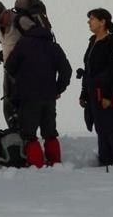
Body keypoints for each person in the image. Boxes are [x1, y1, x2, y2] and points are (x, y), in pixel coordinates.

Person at [5, 20, 71, 167]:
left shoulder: (23, 44)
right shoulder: (54, 47)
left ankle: (37, 165)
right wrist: (58, 89)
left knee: (28, 134)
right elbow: (66, 71)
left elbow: (9, 66)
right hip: (49, 97)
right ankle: (55, 163)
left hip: (28, 97)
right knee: (50, 133)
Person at [80, 9, 113, 167]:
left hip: (109, 94)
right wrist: (84, 94)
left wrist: (109, 96)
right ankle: (105, 161)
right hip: (94, 94)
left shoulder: (111, 43)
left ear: (103, 22)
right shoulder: (92, 42)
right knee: (101, 128)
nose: (89, 22)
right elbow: (89, 70)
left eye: (93, 19)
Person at [0, 0, 45, 127]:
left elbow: (39, 42)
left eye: (0, 20)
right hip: (8, 72)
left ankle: (25, 141)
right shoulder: (0, 27)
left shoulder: (22, 22)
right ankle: (16, 140)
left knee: (22, 111)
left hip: (23, 73)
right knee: (8, 110)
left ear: (6, 12)